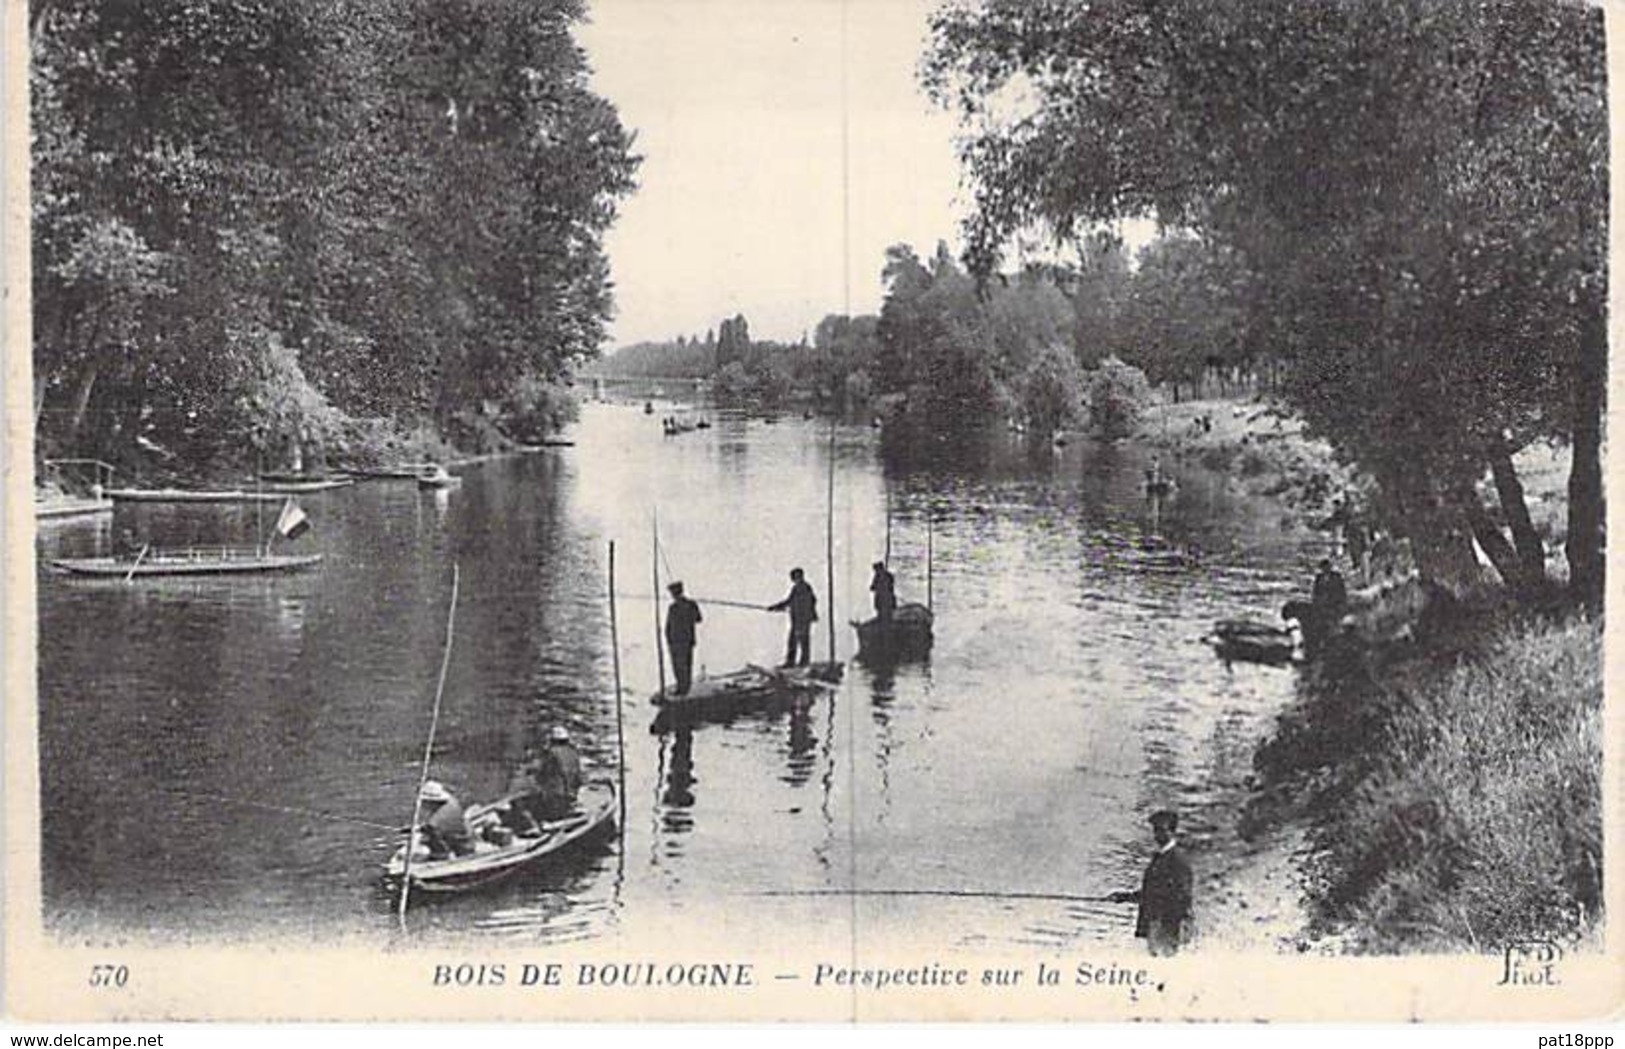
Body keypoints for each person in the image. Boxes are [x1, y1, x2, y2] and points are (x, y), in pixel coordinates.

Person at [1109, 809, 1194, 956]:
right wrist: (1124, 897)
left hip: (1167, 925)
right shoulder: (1160, 858)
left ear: (1172, 832)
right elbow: (1152, 891)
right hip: (1155, 923)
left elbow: (1182, 897)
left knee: (1165, 966)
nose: (1157, 835)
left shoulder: (1178, 861)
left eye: (1161, 830)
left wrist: (1171, 927)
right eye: (1155, 830)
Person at [767, 567, 818, 667]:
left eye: (797, 577)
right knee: (793, 641)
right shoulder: (796, 589)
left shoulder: (805, 588)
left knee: (802, 641)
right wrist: (776, 607)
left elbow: (810, 602)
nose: (796, 579)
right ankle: (791, 662)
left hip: (802, 620)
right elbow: (789, 601)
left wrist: (807, 615)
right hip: (796, 620)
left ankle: (803, 663)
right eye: (795, 578)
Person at [416, 780, 475, 860]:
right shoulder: (452, 802)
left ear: (430, 801)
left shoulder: (434, 824)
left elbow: (440, 851)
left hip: (461, 850)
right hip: (467, 840)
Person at [665, 581, 702, 695]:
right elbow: (669, 626)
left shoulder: (681, 606)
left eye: (673, 593)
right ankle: (683, 687)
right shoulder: (681, 606)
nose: (672, 596)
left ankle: (683, 689)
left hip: (681, 641)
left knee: (681, 666)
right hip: (680, 641)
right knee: (683, 665)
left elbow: (698, 619)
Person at [870, 561, 897, 625]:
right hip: (881, 598)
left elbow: (891, 585)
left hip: (886, 597)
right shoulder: (878, 577)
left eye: (877, 570)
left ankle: (888, 623)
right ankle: (882, 623)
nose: (876, 571)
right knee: (881, 612)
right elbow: (872, 587)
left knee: (888, 612)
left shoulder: (887, 576)